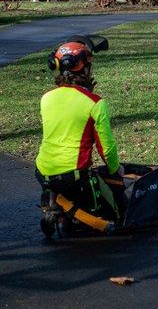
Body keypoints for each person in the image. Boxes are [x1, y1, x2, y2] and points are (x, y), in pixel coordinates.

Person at [35, 35, 123, 233]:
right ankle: (80, 215)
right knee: (114, 205)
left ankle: (56, 205)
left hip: (43, 171)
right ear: (85, 68)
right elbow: (106, 147)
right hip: (73, 177)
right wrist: (116, 169)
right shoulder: (95, 103)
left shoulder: (46, 98)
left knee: (62, 181)